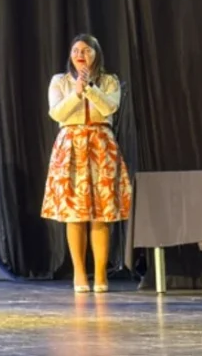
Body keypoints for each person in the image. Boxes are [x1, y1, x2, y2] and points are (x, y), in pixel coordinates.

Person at [40, 34, 132, 293]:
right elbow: (56, 112)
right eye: (76, 50)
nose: (80, 54)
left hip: (101, 144)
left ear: (96, 54)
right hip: (71, 144)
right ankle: (79, 273)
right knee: (75, 213)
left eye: (86, 50)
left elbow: (110, 108)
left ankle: (101, 273)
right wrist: (77, 92)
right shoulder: (60, 81)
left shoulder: (109, 80)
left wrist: (90, 87)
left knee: (101, 213)